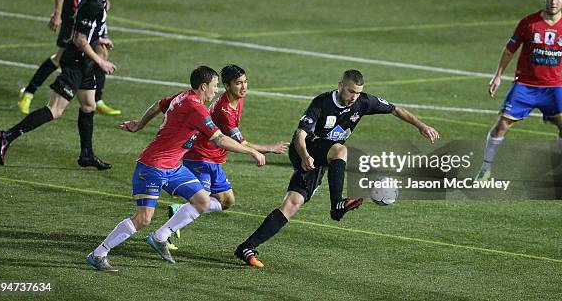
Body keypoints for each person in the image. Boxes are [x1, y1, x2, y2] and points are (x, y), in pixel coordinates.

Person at [234, 69, 440, 268]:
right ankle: (337, 204)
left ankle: (246, 247)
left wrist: (421, 126)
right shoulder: (322, 102)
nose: (354, 97)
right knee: (341, 151)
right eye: (350, 91)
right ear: (340, 85)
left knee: (292, 203)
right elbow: (300, 135)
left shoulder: (363, 102)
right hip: (304, 149)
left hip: (322, 158)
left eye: (357, 93)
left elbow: (395, 108)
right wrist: (305, 156)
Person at [86, 66, 266, 272]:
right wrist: (251, 151)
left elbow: (158, 105)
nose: (215, 92)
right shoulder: (195, 108)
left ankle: (160, 236)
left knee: (202, 200)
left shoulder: (182, 96)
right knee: (143, 219)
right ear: (203, 86)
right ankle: (98, 254)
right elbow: (219, 139)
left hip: (173, 167)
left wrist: (139, 124)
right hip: (152, 167)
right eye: (214, 87)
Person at [0, 0, 117, 170]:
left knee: (89, 105)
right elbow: (79, 39)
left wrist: (100, 39)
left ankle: (86, 154)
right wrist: (101, 61)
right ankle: (6, 136)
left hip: (84, 61)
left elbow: (89, 32)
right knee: (55, 110)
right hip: (76, 61)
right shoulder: (92, 3)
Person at [165, 64, 289, 249]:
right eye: (239, 83)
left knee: (227, 201)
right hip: (200, 157)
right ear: (227, 85)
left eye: (246, 82)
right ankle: (165, 234)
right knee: (202, 201)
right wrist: (268, 148)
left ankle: (181, 210)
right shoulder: (224, 111)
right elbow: (242, 143)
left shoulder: (238, 100)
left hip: (214, 159)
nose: (244, 86)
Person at [475, 0, 562, 184]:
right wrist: (498, 75)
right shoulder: (529, 23)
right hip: (525, 85)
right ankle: (485, 169)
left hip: (553, 88)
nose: (553, 1)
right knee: (501, 126)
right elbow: (510, 50)